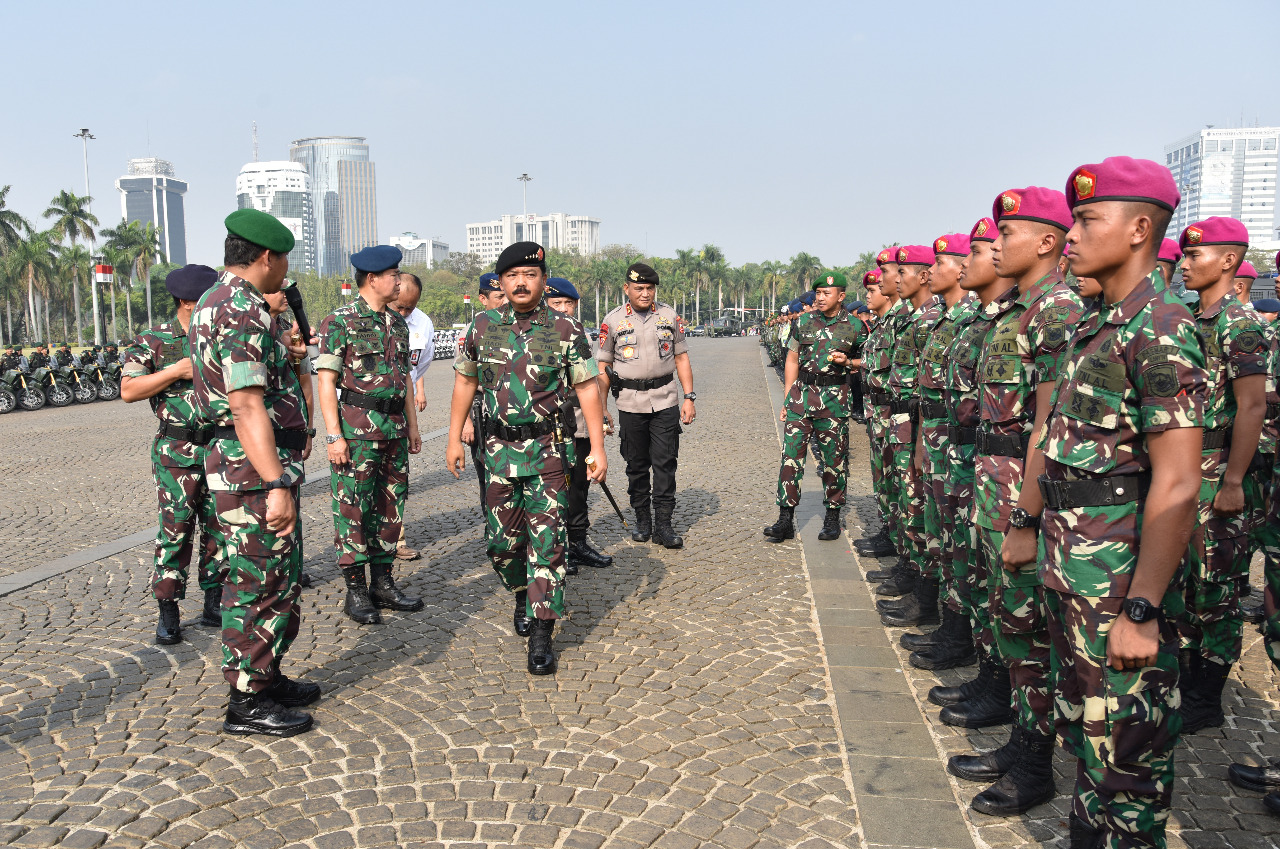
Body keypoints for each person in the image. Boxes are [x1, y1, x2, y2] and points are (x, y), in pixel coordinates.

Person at [1036, 156, 1204, 849]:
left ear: (1140, 228)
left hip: (1120, 583)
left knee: (1129, 762)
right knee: (1090, 738)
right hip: (1075, 569)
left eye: (1085, 219)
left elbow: (1178, 479)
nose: (1070, 235)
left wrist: (1143, 608)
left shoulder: (1161, 327)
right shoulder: (1096, 323)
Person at [446, 242, 607, 675]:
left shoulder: (566, 328)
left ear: (542, 280)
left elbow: (588, 388)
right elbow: (465, 382)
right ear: (500, 283)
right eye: (512, 275)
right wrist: (453, 438)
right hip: (498, 453)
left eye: (530, 274)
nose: (521, 282)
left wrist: (597, 447)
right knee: (502, 543)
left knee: (549, 544)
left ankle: (541, 631)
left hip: (550, 452)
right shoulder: (482, 327)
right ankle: (522, 590)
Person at [189, 207, 319, 737]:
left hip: (248, 463)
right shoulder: (240, 309)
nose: (286, 270)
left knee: (276, 575)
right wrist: (274, 483)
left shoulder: (213, 301)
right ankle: (246, 700)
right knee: (258, 580)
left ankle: (266, 674)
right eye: (284, 259)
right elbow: (245, 405)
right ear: (267, 256)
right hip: (250, 472)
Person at [1174, 217, 1266, 734]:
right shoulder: (1191, 319)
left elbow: (1251, 407)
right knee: (1185, 582)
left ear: (1228, 260)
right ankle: (1187, 683)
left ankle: (1206, 699)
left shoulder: (1240, 323)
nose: (1185, 264)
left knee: (1216, 587)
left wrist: (1233, 481)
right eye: (1185, 256)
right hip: (1186, 471)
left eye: (1196, 255)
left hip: (1217, 472)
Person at [929, 220, 1020, 732]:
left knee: (1008, 592)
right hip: (974, 461)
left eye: (978, 251)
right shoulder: (988, 321)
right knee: (977, 571)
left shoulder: (1042, 318)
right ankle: (985, 668)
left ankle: (1011, 702)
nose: (963, 264)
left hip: (1014, 480)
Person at [316, 245, 424, 625]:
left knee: (391, 507)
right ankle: (356, 591)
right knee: (353, 509)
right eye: (393, 275)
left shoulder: (396, 323)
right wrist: (334, 436)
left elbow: (405, 379)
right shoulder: (340, 321)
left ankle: (382, 582)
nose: (399, 280)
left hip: (393, 430)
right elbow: (326, 383)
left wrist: (412, 424)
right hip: (357, 433)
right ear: (373, 279)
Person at [120, 264, 225, 644]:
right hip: (176, 449)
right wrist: (174, 371)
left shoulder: (220, 336)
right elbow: (129, 390)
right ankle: (168, 609)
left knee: (219, 530)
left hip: (220, 444)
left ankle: (215, 600)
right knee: (176, 530)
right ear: (185, 302)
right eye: (205, 301)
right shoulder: (154, 339)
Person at [902, 233, 977, 665]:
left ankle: (959, 636)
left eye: (942, 261)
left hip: (971, 450)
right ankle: (947, 622)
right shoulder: (953, 319)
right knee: (943, 536)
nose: (932, 270)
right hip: (940, 438)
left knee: (961, 545)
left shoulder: (970, 319)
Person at [597, 262, 696, 549]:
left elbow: (681, 358)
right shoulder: (613, 320)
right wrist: (602, 408)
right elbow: (603, 365)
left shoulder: (668, 315)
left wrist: (689, 397)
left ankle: (664, 524)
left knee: (665, 464)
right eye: (639, 288)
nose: (645, 293)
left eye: (649, 288)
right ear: (626, 289)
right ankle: (643, 519)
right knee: (636, 464)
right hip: (629, 403)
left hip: (665, 399)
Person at [762, 271, 862, 542]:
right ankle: (785, 519)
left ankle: (832, 517)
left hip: (834, 401)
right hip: (801, 398)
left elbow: (867, 361)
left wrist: (849, 363)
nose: (820, 297)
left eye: (826, 294)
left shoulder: (855, 326)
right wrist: (787, 398)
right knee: (790, 459)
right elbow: (792, 359)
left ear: (841, 296)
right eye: (817, 293)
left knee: (834, 461)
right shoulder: (804, 321)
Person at [876, 246, 940, 627]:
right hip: (905, 419)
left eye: (902, 271)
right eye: (892, 271)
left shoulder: (932, 318)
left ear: (923, 275)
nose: (894, 278)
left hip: (926, 427)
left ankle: (925, 592)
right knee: (907, 499)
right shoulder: (915, 317)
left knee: (921, 508)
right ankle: (911, 573)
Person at [545, 276, 615, 573]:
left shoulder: (581, 336)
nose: (564, 309)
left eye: (568, 303)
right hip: (552, 427)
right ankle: (555, 550)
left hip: (581, 423)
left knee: (580, 487)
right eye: (557, 303)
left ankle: (579, 543)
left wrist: (603, 413)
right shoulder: (537, 334)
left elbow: (593, 382)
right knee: (554, 490)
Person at [857, 252, 905, 561]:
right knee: (883, 477)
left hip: (893, 413)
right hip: (878, 412)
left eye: (872, 289)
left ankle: (899, 541)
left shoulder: (901, 321)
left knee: (898, 482)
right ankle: (889, 531)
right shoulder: (884, 324)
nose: (868, 296)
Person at [389, 271, 435, 562]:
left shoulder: (424, 324)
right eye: (399, 306)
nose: (404, 313)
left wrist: (413, 422)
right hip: (359, 417)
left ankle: (396, 538)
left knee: (396, 480)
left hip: (399, 413)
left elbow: (419, 365)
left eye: (410, 307)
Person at [461, 273, 508, 503]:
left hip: (510, 409)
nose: (505, 301)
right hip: (481, 409)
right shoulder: (471, 331)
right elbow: (463, 382)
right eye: (499, 297)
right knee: (485, 475)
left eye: (506, 296)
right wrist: (466, 422)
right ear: (482, 299)